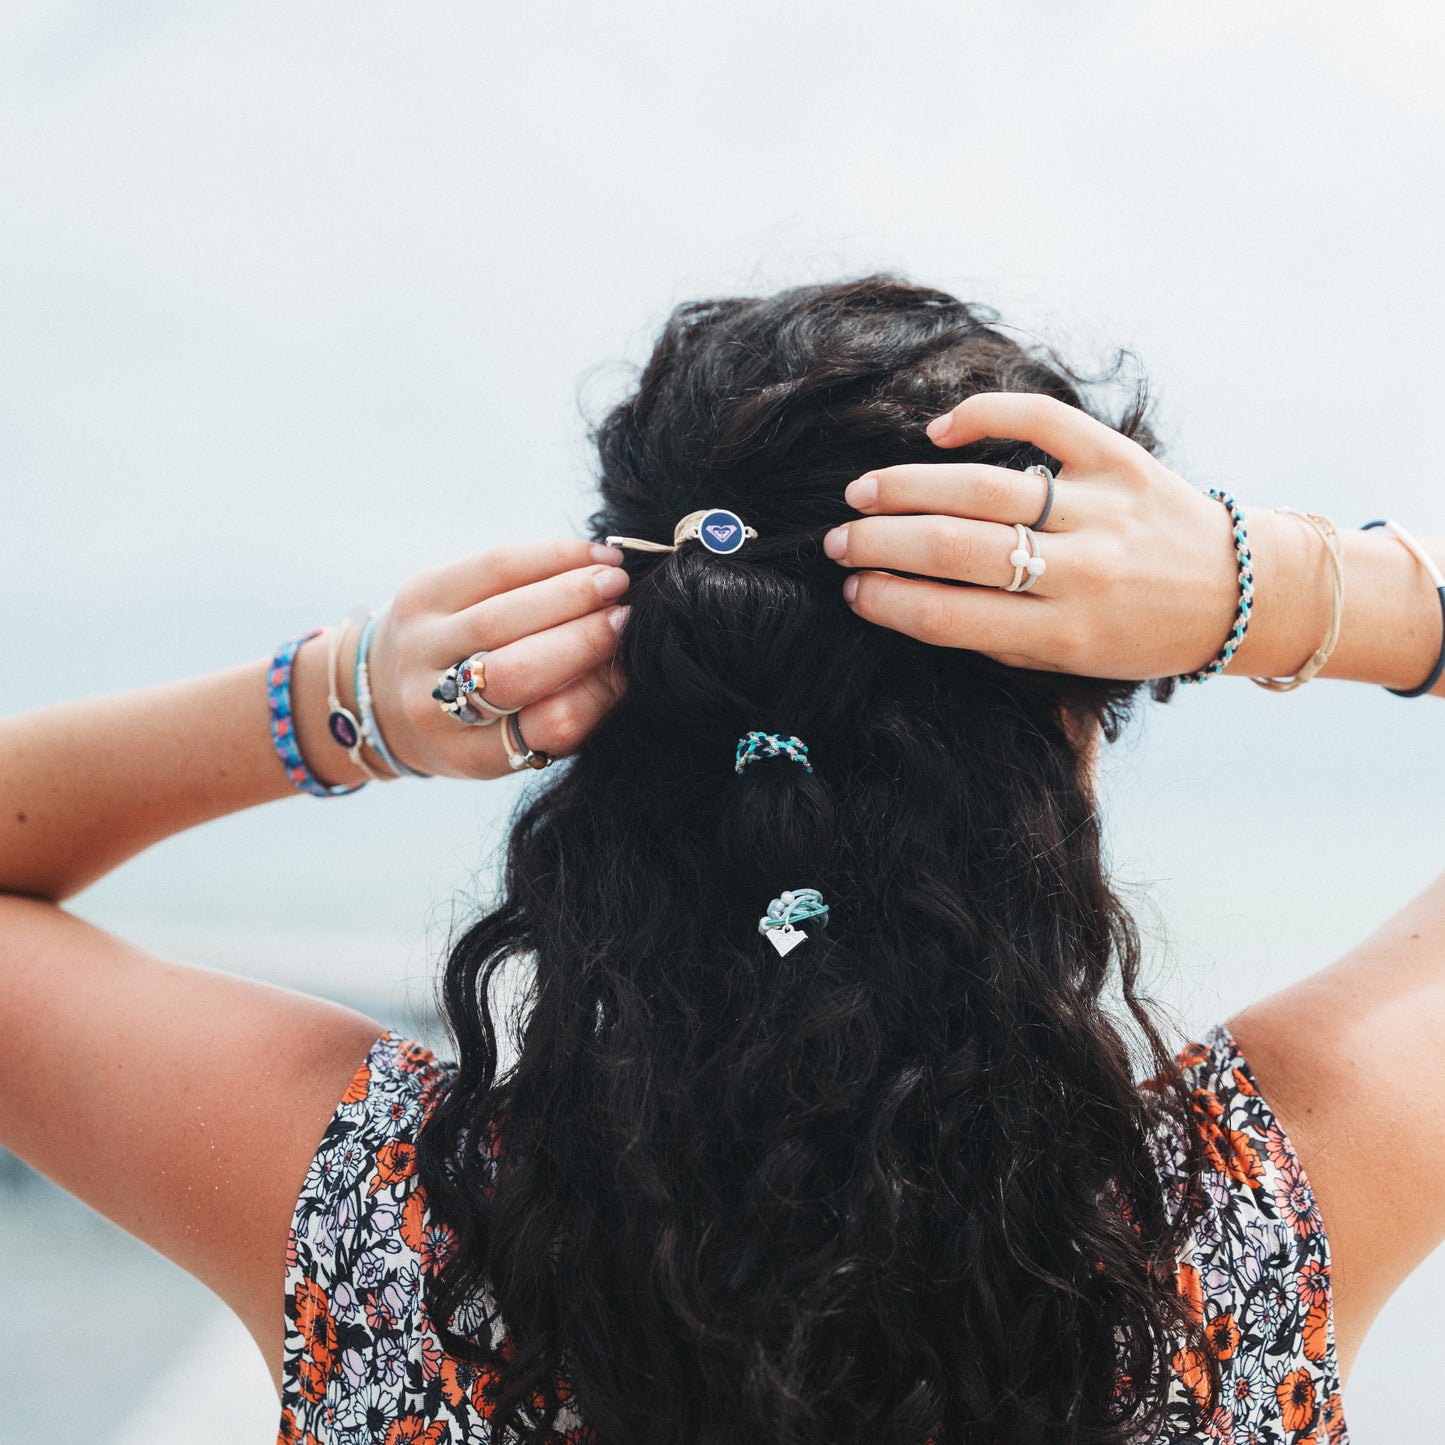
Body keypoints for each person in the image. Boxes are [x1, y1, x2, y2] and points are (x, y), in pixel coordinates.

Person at [2, 277, 1440, 1445]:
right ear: (1068, 734)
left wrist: (343, 702)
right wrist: (1277, 588)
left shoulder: (384, 1236)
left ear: (616, 692)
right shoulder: (1242, 1236)